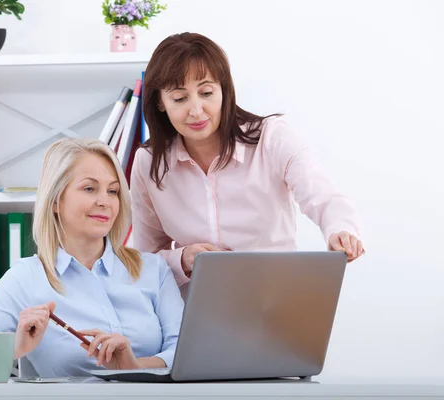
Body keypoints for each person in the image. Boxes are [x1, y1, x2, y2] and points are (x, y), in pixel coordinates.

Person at [0, 138, 183, 378]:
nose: (105, 201)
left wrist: (134, 367)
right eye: (90, 188)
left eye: (113, 191)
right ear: (55, 201)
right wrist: (12, 349)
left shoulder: (153, 270)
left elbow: (185, 353)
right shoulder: (28, 278)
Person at [130, 32, 365, 288]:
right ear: (160, 103)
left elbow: (323, 197)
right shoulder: (149, 162)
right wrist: (182, 259)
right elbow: (145, 260)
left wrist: (341, 231)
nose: (196, 110)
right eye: (180, 98)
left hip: (275, 300)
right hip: (194, 310)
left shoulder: (271, 137)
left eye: (206, 92)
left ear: (224, 90)